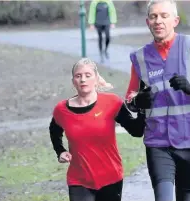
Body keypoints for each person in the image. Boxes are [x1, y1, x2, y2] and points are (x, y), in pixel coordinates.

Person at [125, 0, 190, 201]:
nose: (159, 21)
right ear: (148, 22)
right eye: (154, 16)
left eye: (164, 16)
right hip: (158, 143)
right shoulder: (139, 58)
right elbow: (129, 98)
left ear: (175, 20)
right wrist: (137, 101)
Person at [49, 58, 145, 201]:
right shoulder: (62, 109)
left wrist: (143, 107)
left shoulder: (112, 102)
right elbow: (54, 130)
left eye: (88, 75)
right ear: (73, 81)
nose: (83, 80)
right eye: (78, 76)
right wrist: (60, 151)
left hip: (111, 177)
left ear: (96, 79)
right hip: (79, 180)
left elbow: (137, 131)